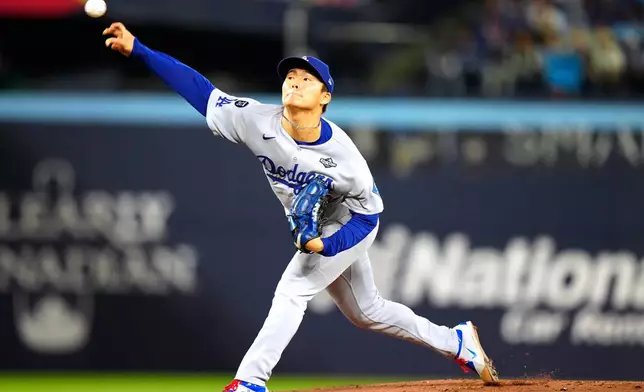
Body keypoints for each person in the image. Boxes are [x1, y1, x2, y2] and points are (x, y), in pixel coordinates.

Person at [102, 22, 500, 392]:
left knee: (294, 288)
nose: (294, 81)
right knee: (367, 311)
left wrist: (325, 247)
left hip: (347, 222)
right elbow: (200, 90)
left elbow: (368, 217)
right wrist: (140, 50)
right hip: (313, 227)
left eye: (306, 79)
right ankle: (457, 342)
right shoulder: (257, 120)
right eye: (290, 76)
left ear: (325, 97)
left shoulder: (345, 159)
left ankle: (249, 382)